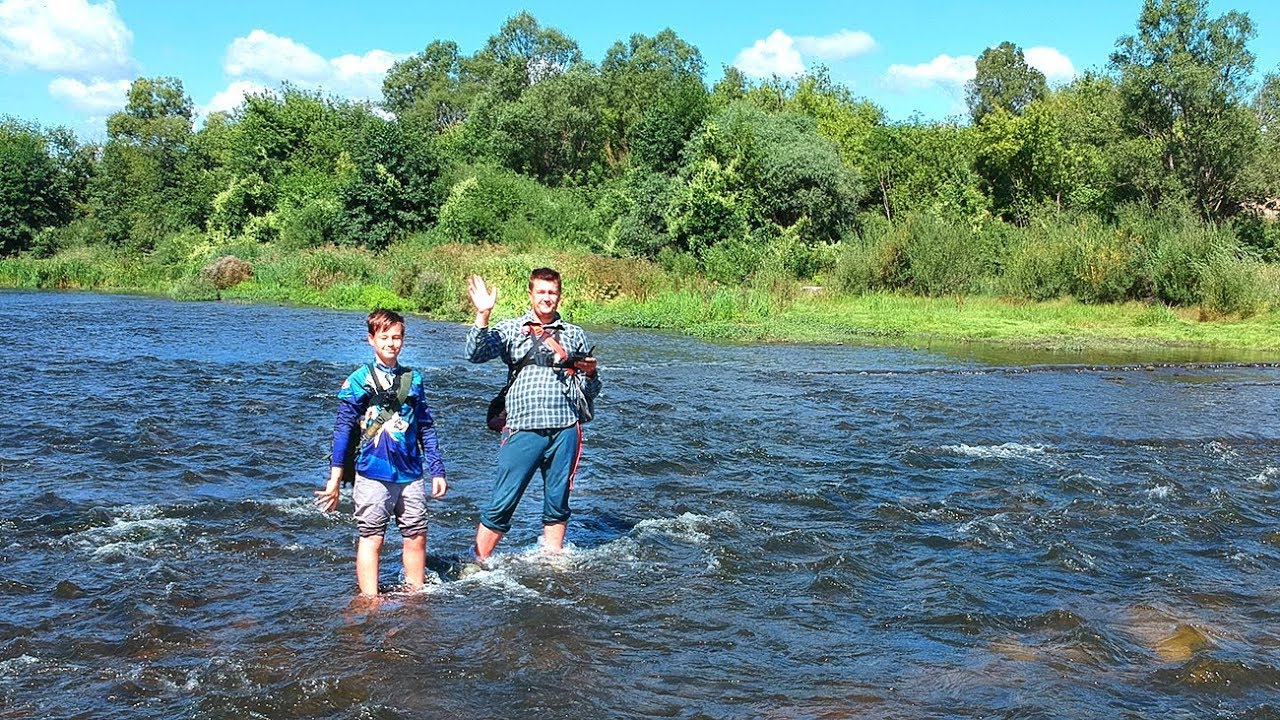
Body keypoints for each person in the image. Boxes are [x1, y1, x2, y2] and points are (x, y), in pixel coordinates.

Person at [465, 267, 601, 563]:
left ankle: (552, 561)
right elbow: (475, 354)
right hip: (522, 428)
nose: (547, 298)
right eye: (541, 292)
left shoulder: (574, 334)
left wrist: (591, 375)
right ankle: (477, 563)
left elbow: (589, 392)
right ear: (531, 294)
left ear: (559, 296)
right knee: (503, 501)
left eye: (552, 292)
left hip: (565, 429)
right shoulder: (512, 329)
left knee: (557, 502)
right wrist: (483, 315)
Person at [315, 308, 448, 597]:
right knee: (372, 537)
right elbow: (343, 432)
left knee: (416, 535)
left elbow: (426, 426)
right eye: (384, 337)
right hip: (372, 473)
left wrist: (436, 469)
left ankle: (415, 595)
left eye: (397, 337)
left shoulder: (414, 380)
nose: (391, 343)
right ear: (371, 340)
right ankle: (370, 599)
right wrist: (335, 480)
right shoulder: (358, 380)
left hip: (411, 474)